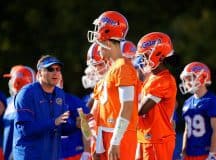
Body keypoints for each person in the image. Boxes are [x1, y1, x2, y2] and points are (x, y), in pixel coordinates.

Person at [87, 11, 139, 160]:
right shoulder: (112, 69)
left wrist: (115, 141)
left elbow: (127, 106)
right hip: (106, 134)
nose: (97, 47)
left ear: (108, 39)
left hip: (120, 136)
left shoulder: (123, 67)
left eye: (99, 43)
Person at [13, 55, 76, 160]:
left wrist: (76, 124)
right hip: (29, 156)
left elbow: (62, 128)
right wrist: (54, 122)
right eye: (50, 69)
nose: (55, 72)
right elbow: (25, 129)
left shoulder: (60, 93)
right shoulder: (26, 93)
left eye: (58, 69)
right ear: (39, 73)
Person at [134, 32, 177, 160]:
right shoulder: (152, 78)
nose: (143, 59)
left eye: (145, 55)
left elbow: (142, 109)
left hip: (158, 140)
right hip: (146, 137)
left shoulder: (164, 80)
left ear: (157, 54)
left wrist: (121, 107)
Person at [179, 62, 216, 160]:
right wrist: (183, 150)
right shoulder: (187, 102)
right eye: (185, 79)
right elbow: (187, 130)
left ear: (202, 77)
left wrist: (212, 154)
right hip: (190, 153)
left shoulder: (212, 101)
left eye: (189, 78)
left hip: (206, 153)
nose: (186, 82)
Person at [2, 65, 36, 160]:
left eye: (11, 79)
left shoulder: (31, 103)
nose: (10, 82)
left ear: (16, 82)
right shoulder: (9, 101)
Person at [56, 74, 91, 160]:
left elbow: (86, 124)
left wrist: (87, 152)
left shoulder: (73, 101)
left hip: (74, 152)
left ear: (61, 82)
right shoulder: (40, 103)